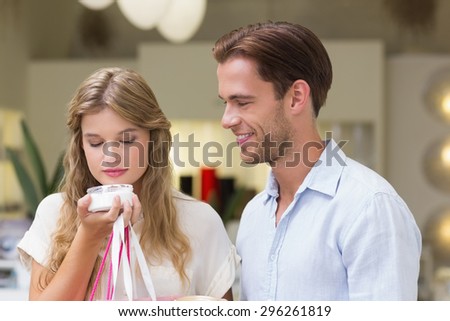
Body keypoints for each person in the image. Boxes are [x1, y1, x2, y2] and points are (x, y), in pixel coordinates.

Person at [212, 21, 421, 300]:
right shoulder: (253, 217)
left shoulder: (369, 208)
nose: (227, 120)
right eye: (225, 102)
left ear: (296, 97)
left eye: (243, 102)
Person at [17, 67, 239, 301]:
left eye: (126, 140)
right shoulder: (54, 213)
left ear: (153, 140)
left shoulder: (201, 221)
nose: (111, 156)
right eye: (95, 142)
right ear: (81, 146)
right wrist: (88, 237)